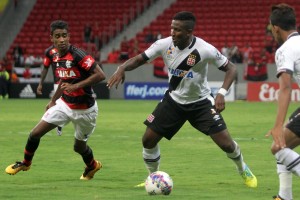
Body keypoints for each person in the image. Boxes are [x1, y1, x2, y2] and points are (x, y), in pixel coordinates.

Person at [107, 11, 257, 188]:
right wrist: (122, 67)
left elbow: (231, 69)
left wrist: (221, 93)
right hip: (174, 101)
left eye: (177, 30)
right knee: (148, 140)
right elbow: (141, 59)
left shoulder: (204, 49)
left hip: (200, 103)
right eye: (171, 28)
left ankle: (242, 168)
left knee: (226, 144)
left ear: (189, 32)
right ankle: (153, 178)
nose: (172, 32)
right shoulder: (163, 44)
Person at [5, 20, 106, 180]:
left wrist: (76, 86)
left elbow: (101, 75)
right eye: (58, 36)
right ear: (51, 38)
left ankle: (92, 165)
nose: (62, 40)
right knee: (35, 133)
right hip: (65, 104)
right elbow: (63, 81)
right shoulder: (54, 55)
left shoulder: (78, 54)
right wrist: (53, 101)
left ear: (69, 36)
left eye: (64, 36)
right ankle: (26, 163)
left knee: (78, 147)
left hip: (86, 110)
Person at [266, 4, 300, 200]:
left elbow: (285, 88)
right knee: (283, 144)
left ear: (275, 27)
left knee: (278, 146)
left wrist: (277, 125)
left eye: (271, 28)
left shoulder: (285, 49)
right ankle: (284, 196)